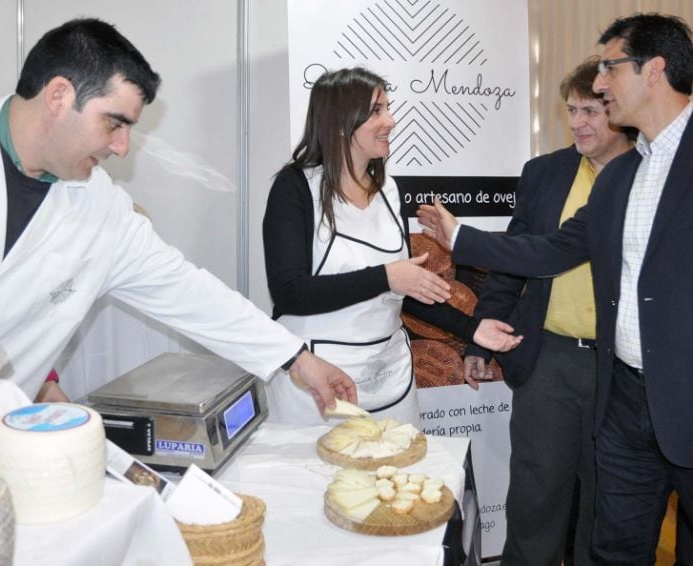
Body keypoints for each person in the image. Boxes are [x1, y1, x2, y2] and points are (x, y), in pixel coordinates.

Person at [0, 18, 356, 418]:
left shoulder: (100, 207)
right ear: (59, 96)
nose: (123, 147)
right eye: (114, 124)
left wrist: (297, 359)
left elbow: (189, 292)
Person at [418, 13, 693, 565]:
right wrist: (462, 237)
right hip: (620, 394)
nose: (599, 84)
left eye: (611, 68)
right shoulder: (624, 177)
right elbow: (547, 251)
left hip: (680, 394)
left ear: (655, 70)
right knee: (613, 540)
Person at [262, 67, 523, 425]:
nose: (391, 120)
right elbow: (289, 292)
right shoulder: (295, 187)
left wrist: (472, 329)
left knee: (399, 476)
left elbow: (406, 287)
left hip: (391, 380)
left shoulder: (389, 191)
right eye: (377, 111)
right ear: (340, 122)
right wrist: (386, 277)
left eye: (388, 108)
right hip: (316, 382)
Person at [461, 57, 633, 566]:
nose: (577, 122)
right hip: (548, 361)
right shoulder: (544, 173)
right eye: (571, 110)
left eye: (590, 111)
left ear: (620, 112)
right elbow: (513, 263)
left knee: (609, 503)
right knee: (535, 497)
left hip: (620, 369)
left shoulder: (650, 175)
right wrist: (479, 338)